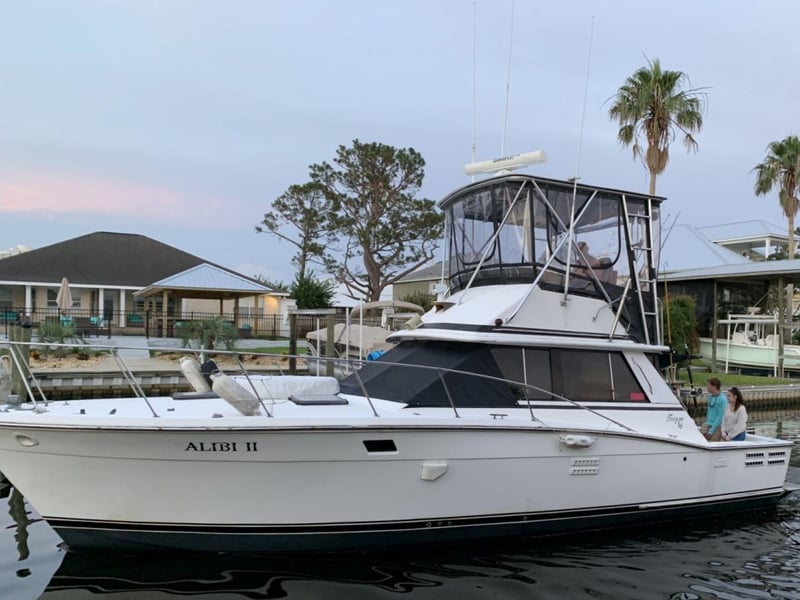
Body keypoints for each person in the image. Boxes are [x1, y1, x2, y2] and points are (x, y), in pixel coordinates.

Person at [701, 377, 726, 441]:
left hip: (717, 426)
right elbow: (709, 413)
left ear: (714, 386)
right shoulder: (710, 397)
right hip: (708, 424)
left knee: (712, 442)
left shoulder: (722, 399)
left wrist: (711, 431)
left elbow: (720, 417)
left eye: (708, 385)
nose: (707, 387)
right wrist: (706, 424)